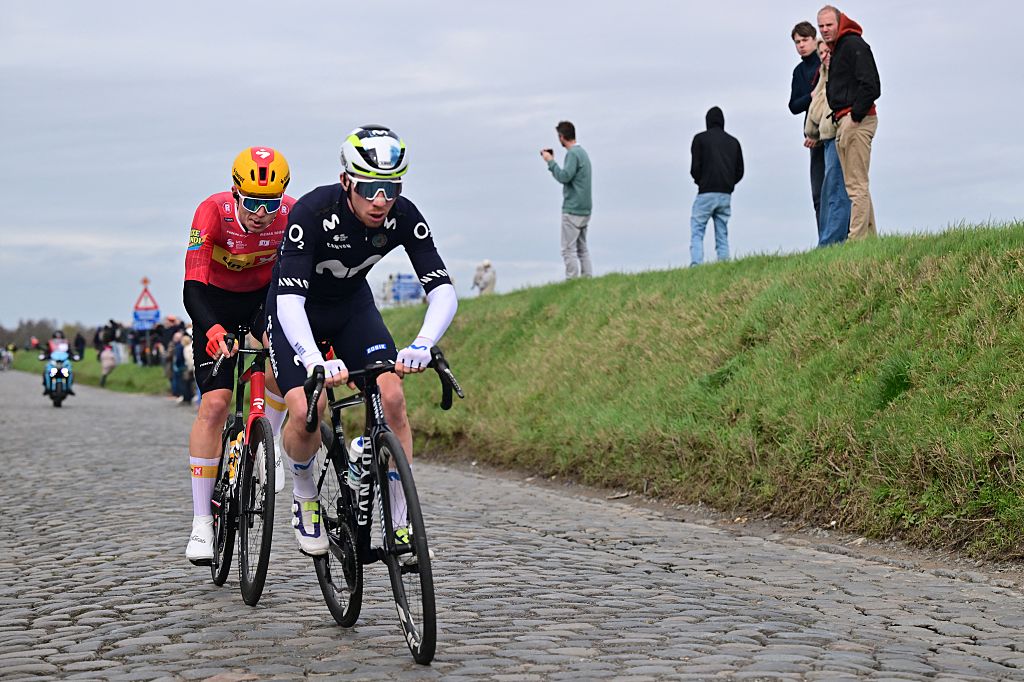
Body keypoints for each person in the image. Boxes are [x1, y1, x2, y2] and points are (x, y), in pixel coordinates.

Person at [267, 124, 457, 560]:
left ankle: (401, 523)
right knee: (308, 409)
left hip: (352, 306)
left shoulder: (403, 214)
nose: (381, 201)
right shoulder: (313, 214)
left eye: (391, 189)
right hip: (298, 310)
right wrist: (315, 360)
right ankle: (304, 494)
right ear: (347, 181)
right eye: (370, 188)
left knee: (391, 395)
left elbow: (443, 290)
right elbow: (290, 304)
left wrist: (423, 343)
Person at [182, 146, 296, 565]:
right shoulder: (211, 211)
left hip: (265, 299)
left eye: (270, 204)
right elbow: (192, 285)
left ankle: (272, 447)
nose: (261, 213)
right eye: (251, 202)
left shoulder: (292, 215)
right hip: (215, 303)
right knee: (215, 404)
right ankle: (201, 524)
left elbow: (299, 278)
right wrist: (211, 329)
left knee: (284, 368)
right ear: (235, 192)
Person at [818, 5, 880, 241]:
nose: (824, 30)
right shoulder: (839, 48)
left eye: (829, 25)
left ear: (839, 22)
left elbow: (872, 84)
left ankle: (856, 240)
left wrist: (854, 117)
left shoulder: (853, 45)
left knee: (856, 186)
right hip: (845, 120)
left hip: (857, 120)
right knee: (857, 183)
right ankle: (871, 239)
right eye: (821, 26)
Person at [804, 38, 851, 247]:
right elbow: (808, 109)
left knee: (837, 189)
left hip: (837, 135)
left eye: (827, 52)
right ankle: (828, 240)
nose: (825, 56)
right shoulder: (822, 79)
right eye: (821, 53)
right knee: (826, 191)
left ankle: (832, 241)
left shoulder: (838, 76)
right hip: (825, 139)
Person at [689, 107, 744, 266]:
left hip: (705, 192)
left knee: (697, 230)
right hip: (725, 195)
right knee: (722, 232)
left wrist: (701, 182)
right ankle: (724, 265)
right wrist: (729, 184)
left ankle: (696, 265)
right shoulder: (733, 142)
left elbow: (695, 168)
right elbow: (740, 170)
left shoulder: (699, 139)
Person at [541, 121, 593, 279]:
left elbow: (564, 177)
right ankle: (587, 278)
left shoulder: (572, 154)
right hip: (585, 208)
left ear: (561, 137)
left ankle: (572, 280)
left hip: (573, 209)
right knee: (582, 248)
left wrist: (550, 162)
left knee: (568, 250)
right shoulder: (582, 153)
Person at [789, 20, 825, 236]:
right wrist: (810, 96)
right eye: (797, 42)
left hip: (830, 131)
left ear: (814, 39)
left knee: (836, 188)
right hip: (811, 135)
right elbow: (793, 105)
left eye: (804, 40)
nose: (801, 45)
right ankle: (825, 240)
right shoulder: (799, 71)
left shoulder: (824, 61)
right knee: (818, 192)